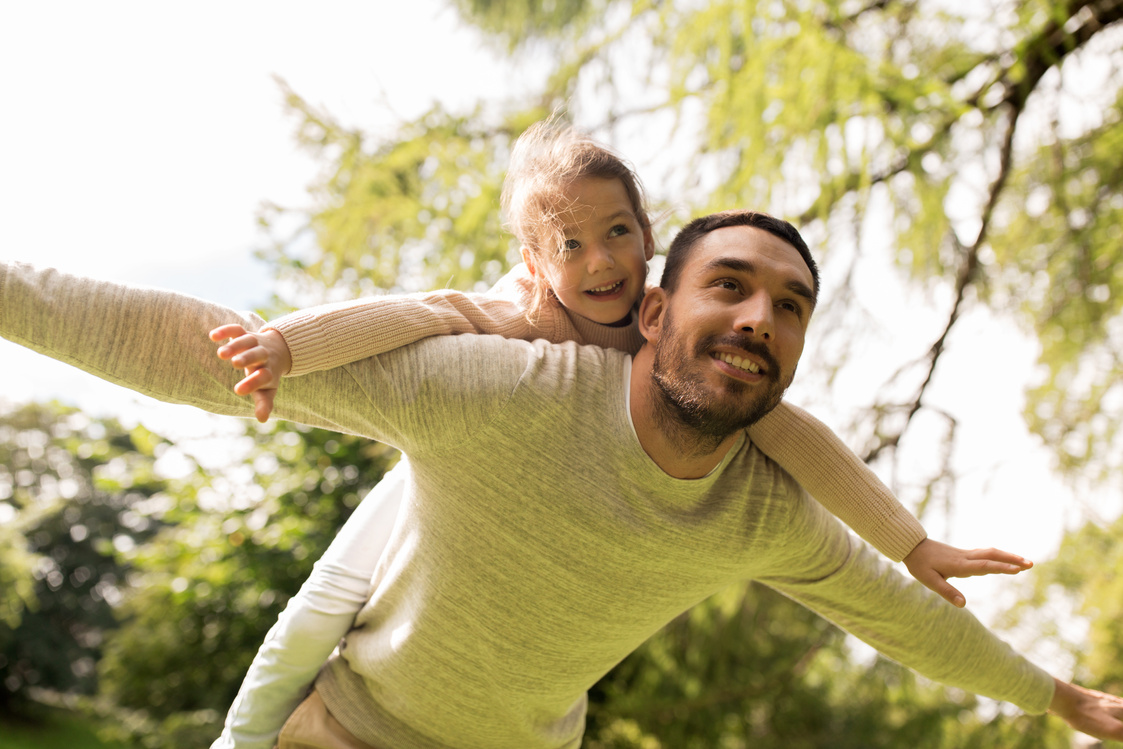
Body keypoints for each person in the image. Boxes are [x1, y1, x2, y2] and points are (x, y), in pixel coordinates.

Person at [3, 211, 1121, 747]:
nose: (756, 317)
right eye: (727, 285)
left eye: (788, 306)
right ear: (650, 314)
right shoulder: (502, 389)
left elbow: (903, 616)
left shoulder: (763, 515)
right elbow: (198, 350)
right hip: (352, 729)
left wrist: (1056, 697)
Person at [206, 123, 1031, 747]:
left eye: (618, 233)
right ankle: (237, 738)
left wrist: (909, 543)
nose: (600, 260)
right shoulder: (519, 314)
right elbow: (409, 314)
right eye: (571, 244)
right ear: (533, 262)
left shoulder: (667, 334)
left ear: (647, 234)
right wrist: (284, 345)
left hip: (532, 595)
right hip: (449, 472)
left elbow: (801, 441)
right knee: (322, 604)